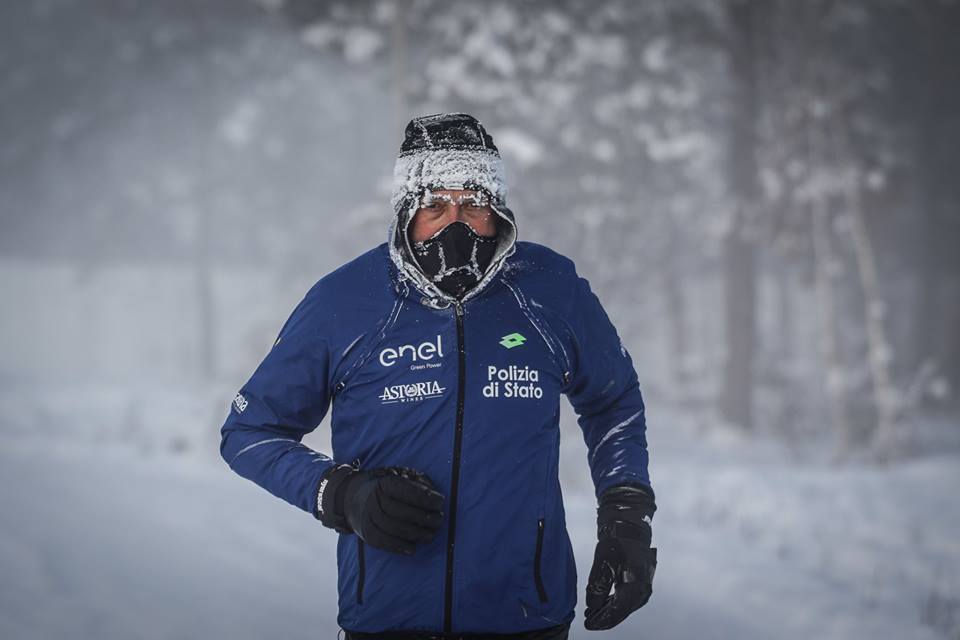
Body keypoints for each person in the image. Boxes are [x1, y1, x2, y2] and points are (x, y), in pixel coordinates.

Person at [219, 113, 657, 639]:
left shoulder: (549, 290)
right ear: (407, 212)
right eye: (434, 206)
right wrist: (342, 494)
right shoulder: (344, 301)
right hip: (388, 618)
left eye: (473, 205)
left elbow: (613, 401)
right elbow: (248, 434)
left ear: (497, 212)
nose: (456, 224)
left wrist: (626, 515)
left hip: (526, 617)